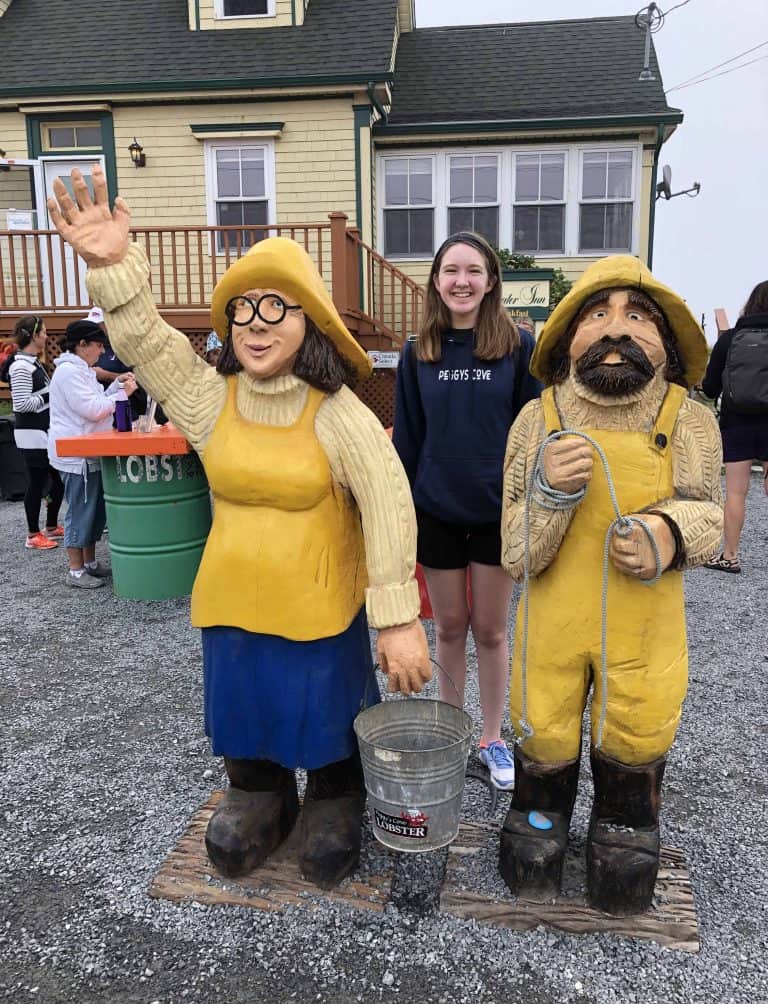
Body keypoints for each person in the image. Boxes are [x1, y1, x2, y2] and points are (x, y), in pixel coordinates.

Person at [47, 165, 431, 890]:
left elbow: (389, 506)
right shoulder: (211, 399)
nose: (256, 324)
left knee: (325, 712)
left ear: (310, 319)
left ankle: (334, 798)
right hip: (233, 603)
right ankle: (258, 790)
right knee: (243, 709)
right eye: (243, 310)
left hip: (320, 612)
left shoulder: (339, 414)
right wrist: (115, 271)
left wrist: (397, 617)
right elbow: (157, 350)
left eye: (275, 308)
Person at [500, 256, 723, 915]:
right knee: (543, 722)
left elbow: (711, 514)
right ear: (567, 336)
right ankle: (537, 816)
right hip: (551, 624)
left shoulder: (689, 421)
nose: (616, 330)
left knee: (638, 720)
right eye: (597, 314)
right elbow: (514, 550)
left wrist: (669, 533)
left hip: (645, 628)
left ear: (669, 341)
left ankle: (626, 822)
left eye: (638, 317)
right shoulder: (537, 419)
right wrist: (549, 494)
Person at [392, 230, 541, 791]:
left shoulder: (517, 346)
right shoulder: (417, 352)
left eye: (474, 271)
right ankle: (452, 733)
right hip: (437, 511)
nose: (462, 281)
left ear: (491, 281)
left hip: (497, 514)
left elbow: (532, 435)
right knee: (449, 626)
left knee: (491, 630)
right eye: (451, 271)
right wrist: (400, 514)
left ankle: (492, 737)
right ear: (436, 281)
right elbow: (408, 439)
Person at [47, 319, 138, 589]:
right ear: (81, 345)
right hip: (75, 453)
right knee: (81, 509)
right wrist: (123, 394)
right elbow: (91, 409)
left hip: (90, 449)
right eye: (97, 346)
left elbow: (98, 399)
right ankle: (75, 570)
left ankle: (89, 563)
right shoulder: (68, 373)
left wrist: (115, 386)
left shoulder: (81, 370)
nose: (101, 352)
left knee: (94, 509)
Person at [701, 280, 768, 574]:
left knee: (736, 493)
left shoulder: (730, 338)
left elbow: (709, 387)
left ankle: (730, 556)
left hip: (736, 423)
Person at [0, 316, 64, 550]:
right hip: (31, 433)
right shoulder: (20, 367)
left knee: (57, 479)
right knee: (37, 482)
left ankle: (50, 526)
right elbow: (22, 404)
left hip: (43, 430)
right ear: (33, 336)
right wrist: (51, 394)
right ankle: (32, 534)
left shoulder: (32, 362)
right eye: (44, 332)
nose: (47, 336)